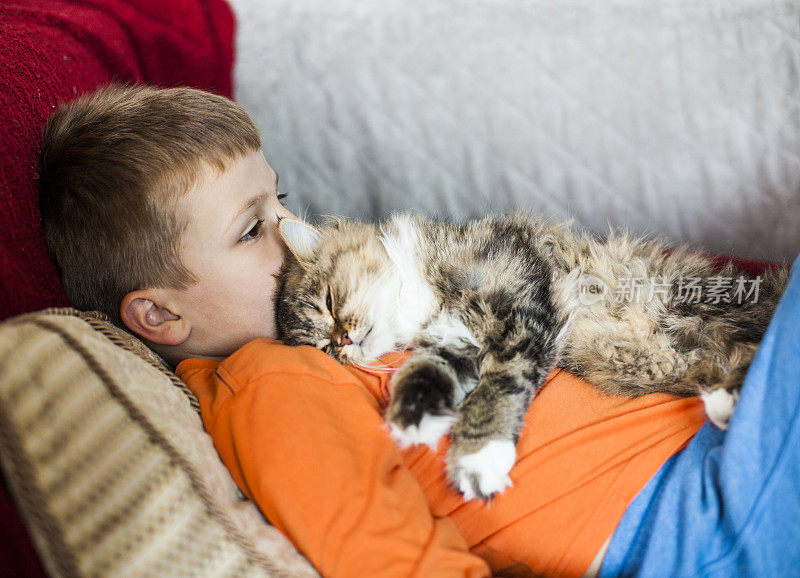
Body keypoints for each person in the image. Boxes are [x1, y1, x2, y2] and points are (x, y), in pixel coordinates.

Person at [37, 84, 798, 577]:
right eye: (251, 230)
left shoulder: (335, 320)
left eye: (283, 200)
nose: (296, 230)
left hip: (715, 441)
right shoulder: (269, 379)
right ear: (161, 315)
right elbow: (386, 555)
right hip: (690, 518)